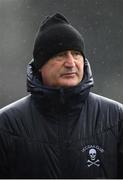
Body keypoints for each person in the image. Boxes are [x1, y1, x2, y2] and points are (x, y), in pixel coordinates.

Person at [0, 13, 123, 179]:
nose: (71, 63)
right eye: (61, 55)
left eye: (76, 54)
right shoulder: (7, 124)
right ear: (40, 65)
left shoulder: (116, 118)